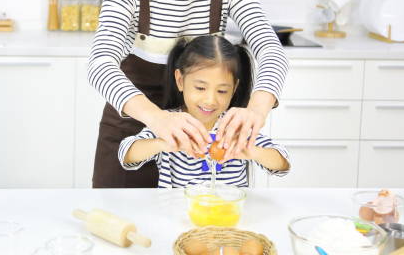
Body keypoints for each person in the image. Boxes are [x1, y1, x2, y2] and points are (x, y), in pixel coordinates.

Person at [88, 0, 288, 188]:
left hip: (203, 133)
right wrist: (158, 120)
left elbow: (270, 50)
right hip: (136, 126)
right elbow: (100, 65)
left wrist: (256, 110)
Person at [118, 35, 290, 187]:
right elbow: (126, 154)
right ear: (180, 80)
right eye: (200, 88)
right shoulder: (170, 123)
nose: (210, 100)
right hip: (178, 214)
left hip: (228, 217)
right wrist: (163, 143)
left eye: (222, 91)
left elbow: (282, 164)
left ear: (234, 87)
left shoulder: (235, 125)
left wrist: (252, 151)